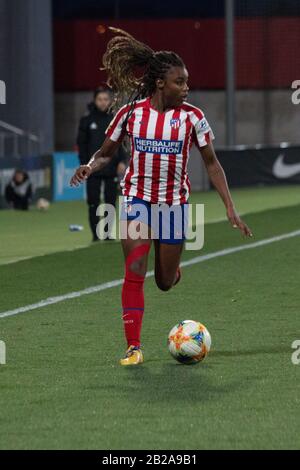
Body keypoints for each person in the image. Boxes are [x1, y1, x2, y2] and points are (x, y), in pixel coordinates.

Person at [71, 28, 253, 366]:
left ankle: (172, 270)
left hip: (172, 206)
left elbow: (212, 164)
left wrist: (230, 208)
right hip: (137, 200)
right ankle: (133, 347)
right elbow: (107, 153)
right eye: (179, 82)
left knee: (165, 282)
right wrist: (90, 166)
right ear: (160, 84)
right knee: (135, 267)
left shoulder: (193, 118)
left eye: (186, 82)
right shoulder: (130, 114)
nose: (186, 88)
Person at [77, 86, 128, 241]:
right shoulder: (86, 121)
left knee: (110, 202)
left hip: (111, 169)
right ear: (94, 100)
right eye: (100, 99)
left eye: (106, 99)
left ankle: (106, 234)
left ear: (110, 101)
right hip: (92, 170)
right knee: (93, 202)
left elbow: (122, 143)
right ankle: (95, 235)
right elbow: (81, 145)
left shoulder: (115, 119)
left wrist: (122, 161)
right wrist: (85, 165)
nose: (103, 102)